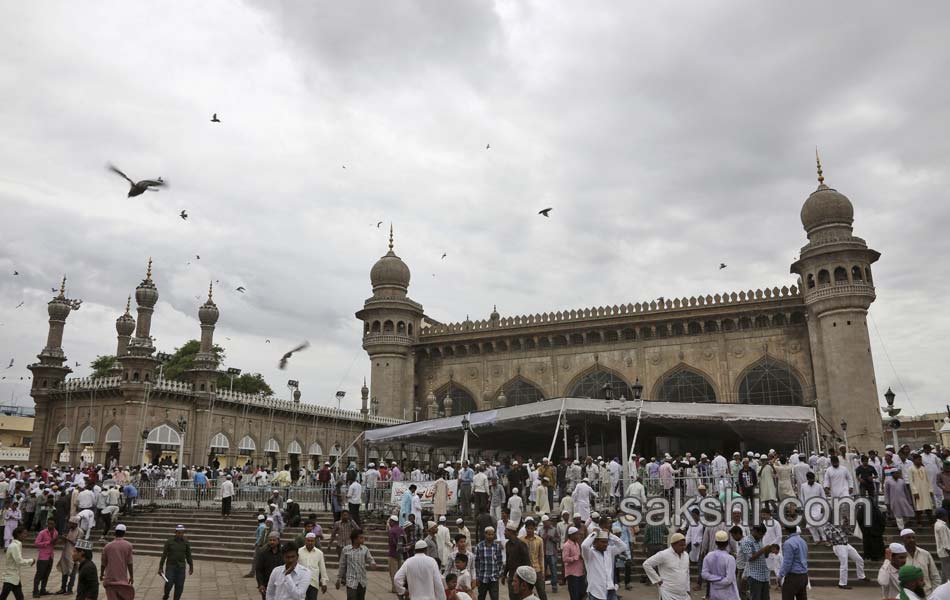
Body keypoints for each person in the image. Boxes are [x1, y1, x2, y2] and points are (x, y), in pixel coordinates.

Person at [580, 529, 627, 600]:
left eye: (606, 542)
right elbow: (584, 546)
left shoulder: (609, 551)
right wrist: (594, 533)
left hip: (610, 589)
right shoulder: (589, 554)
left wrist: (610, 535)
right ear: (594, 542)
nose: (605, 544)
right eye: (602, 542)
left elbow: (623, 546)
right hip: (596, 592)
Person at [642, 532, 691, 600]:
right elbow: (646, 564)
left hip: (683, 593)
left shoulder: (686, 555)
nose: (683, 547)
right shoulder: (664, 554)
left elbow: (687, 572)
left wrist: (688, 589)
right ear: (673, 545)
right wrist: (657, 579)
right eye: (681, 545)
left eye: (684, 545)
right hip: (668, 593)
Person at [820, 522, 865, 590]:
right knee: (844, 565)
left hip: (846, 544)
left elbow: (848, 532)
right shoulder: (826, 526)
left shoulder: (838, 524)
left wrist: (845, 528)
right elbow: (831, 536)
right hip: (838, 546)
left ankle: (861, 576)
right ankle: (842, 584)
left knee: (859, 559)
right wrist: (839, 528)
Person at [335, 529, 376, 600]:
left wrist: (372, 563)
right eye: (361, 537)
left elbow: (370, 559)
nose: (363, 539)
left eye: (363, 537)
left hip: (362, 581)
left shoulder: (365, 549)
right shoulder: (346, 550)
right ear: (355, 539)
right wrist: (339, 578)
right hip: (351, 581)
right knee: (351, 597)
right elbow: (342, 565)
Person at [901, 528, 941, 596]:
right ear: (902, 539)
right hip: (907, 595)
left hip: (927, 594)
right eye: (908, 537)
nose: (912, 540)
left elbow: (935, 576)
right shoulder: (900, 556)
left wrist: (934, 594)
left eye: (913, 537)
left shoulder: (925, 554)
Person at [740, 525, 776, 600]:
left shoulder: (758, 540)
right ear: (755, 531)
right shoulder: (747, 541)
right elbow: (749, 558)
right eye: (761, 534)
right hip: (754, 576)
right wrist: (763, 549)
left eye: (763, 535)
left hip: (764, 575)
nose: (762, 536)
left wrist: (768, 551)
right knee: (756, 597)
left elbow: (763, 556)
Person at [100, 524, 134, 600]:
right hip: (122, 579)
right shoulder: (128, 545)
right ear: (124, 533)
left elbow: (103, 563)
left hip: (110, 579)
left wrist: (101, 574)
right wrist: (131, 576)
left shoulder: (107, 546)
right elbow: (130, 563)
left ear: (115, 532)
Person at [159, 525, 193, 600]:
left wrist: (191, 566)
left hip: (181, 567)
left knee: (179, 586)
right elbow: (164, 555)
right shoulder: (169, 542)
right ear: (175, 532)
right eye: (179, 533)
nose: (180, 534)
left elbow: (188, 555)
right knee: (169, 583)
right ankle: (166, 594)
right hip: (171, 567)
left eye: (182, 533)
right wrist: (160, 567)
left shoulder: (186, 542)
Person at [702, 530, 739, 600]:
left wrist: (714, 580)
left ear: (716, 542)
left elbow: (704, 574)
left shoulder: (709, 556)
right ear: (727, 543)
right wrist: (720, 578)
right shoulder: (730, 558)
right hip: (728, 595)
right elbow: (728, 580)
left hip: (714, 593)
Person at [1, 527, 35, 600]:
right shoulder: (14, 546)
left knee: (19, 597)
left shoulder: (17, 545)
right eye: (24, 533)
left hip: (15, 577)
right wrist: (31, 560)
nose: (26, 535)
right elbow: (19, 561)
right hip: (10, 577)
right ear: (18, 534)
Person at [777, 524, 808, 600]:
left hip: (793, 576)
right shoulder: (803, 541)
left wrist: (780, 575)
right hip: (804, 575)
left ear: (786, 531)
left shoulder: (788, 543)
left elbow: (787, 562)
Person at [502, 522, 531, 600]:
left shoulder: (521, 544)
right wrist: (504, 575)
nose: (504, 533)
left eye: (505, 531)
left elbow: (527, 561)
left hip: (520, 578)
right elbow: (508, 561)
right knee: (512, 597)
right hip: (511, 576)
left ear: (511, 532)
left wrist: (525, 579)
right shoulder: (507, 544)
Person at [473, 527, 504, 600]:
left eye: (492, 534)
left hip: (494, 578)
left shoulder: (497, 547)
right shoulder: (479, 546)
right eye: (489, 534)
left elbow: (500, 561)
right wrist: (477, 577)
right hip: (482, 577)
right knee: (481, 597)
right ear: (485, 534)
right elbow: (476, 562)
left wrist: (499, 574)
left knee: (495, 598)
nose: (490, 536)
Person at [519, 520, 546, 600]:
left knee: (541, 591)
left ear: (534, 529)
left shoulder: (539, 540)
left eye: (531, 528)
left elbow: (541, 556)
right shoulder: (521, 540)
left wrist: (542, 571)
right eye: (528, 528)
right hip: (525, 570)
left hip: (536, 569)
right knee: (524, 592)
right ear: (525, 528)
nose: (529, 530)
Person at [297, 533, 329, 600]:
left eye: (312, 541)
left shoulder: (319, 553)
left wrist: (324, 583)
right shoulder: (299, 551)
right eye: (308, 540)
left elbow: (322, 568)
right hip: (300, 582)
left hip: (313, 582)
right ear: (305, 541)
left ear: (315, 541)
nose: (310, 542)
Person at [32, 519, 58, 597]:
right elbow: (36, 543)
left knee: (46, 574)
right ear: (47, 524)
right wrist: (48, 542)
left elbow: (54, 544)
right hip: (43, 557)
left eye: (52, 524)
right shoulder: (42, 533)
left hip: (50, 556)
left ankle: (43, 590)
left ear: (54, 524)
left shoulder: (56, 532)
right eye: (49, 524)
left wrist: (56, 541)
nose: (50, 525)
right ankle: (35, 591)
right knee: (39, 575)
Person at [56, 518, 80, 595]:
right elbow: (66, 541)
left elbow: (78, 543)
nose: (69, 525)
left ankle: (70, 589)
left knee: (72, 574)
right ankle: (63, 588)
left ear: (75, 524)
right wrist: (64, 538)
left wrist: (67, 539)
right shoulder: (70, 530)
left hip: (74, 555)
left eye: (71, 523)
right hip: (66, 554)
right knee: (64, 571)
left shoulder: (80, 531)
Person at [386, 516, 405, 594]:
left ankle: (395, 588)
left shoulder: (391, 531)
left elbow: (392, 542)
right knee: (400, 573)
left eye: (390, 521)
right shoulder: (401, 530)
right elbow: (404, 541)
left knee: (393, 572)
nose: (389, 523)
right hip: (400, 554)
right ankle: (400, 587)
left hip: (393, 554)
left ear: (393, 522)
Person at [936, 511, 950, 579]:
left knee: (944, 572)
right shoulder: (942, 526)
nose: (947, 517)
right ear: (943, 516)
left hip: (942, 552)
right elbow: (945, 543)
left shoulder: (937, 524)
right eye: (946, 515)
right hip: (946, 553)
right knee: (948, 573)